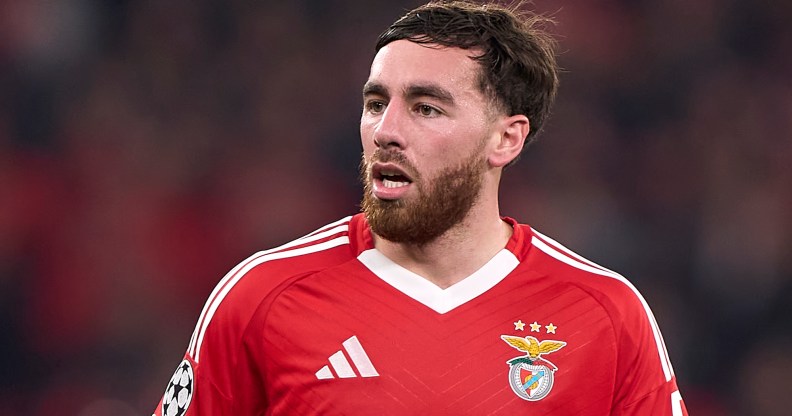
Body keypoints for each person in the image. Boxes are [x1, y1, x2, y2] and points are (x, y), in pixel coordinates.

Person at [153, 1, 688, 414]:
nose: (385, 131)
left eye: (426, 108)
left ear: (506, 139)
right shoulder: (262, 296)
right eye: (375, 103)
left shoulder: (605, 314)